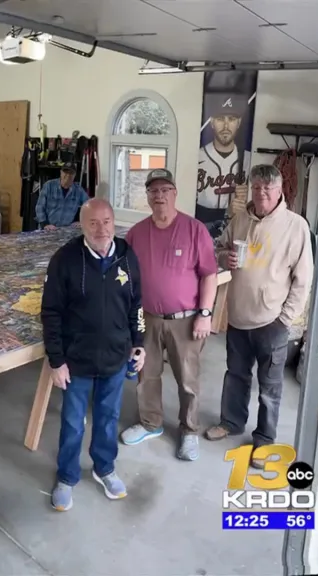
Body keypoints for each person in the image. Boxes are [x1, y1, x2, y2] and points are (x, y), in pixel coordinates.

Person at [204, 164, 314, 467]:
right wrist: (222, 256)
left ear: (279, 191)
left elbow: (303, 280)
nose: (261, 193)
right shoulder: (240, 219)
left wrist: (285, 320)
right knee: (236, 376)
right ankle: (231, 422)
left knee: (270, 388)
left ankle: (264, 441)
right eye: (256, 188)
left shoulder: (296, 226)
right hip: (238, 318)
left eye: (268, 188)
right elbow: (220, 247)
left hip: (272, 323)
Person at [40, 198, 146, 511]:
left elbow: (136, 304)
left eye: (107, 222)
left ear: (114, 222)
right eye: (93, 223)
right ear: (82, 225)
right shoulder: (65, 259)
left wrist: (139, 343)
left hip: (115, 358)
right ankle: (67, 477)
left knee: (108, 418)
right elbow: (51, 312)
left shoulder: (127, 257)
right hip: (77, 362)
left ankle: (105, 469)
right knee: (73, 423)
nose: (101, 229)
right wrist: (56, 360)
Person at [119, 169, 219, 461]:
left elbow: (209, 275)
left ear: (175, 194)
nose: (159, 196)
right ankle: (150, 423)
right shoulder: (137, 233)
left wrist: (205, 313)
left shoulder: (194, 229)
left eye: (165, 190)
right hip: (146, 318)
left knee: (187, 380)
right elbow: (127, 277)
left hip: (185, 320)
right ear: (147, 197)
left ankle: (189, 431)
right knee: (146, 374)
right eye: (153, 191)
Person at [196, 93, 251, 225]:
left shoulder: (250, 159)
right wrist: (226, 212)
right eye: (220, 119)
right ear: (212, 122)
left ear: (239, 122)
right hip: (202, 227)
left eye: (231, 119)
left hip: (237, 228)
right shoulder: (196, 157)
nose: (226, 126)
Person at [35, 165, 90, 230]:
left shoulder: (79, 190)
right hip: (47, 228)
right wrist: (45, 224)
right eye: (65, 172)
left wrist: (81, 221)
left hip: (67, 230)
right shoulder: (49, 185)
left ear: (74, 175)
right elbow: (39, 206)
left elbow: (89, 206)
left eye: (71, 173)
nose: (68, 175)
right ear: (61, 172)